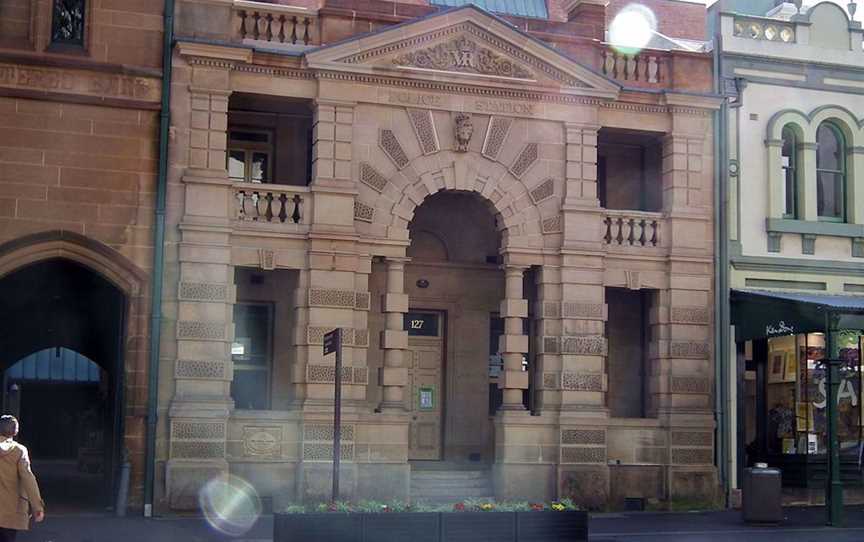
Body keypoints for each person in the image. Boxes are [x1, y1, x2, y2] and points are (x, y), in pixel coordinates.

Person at [0, 415, 44, 542]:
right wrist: (37, 506)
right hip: (11, 511)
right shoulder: (19, 451)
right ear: (15, 431)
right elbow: (28, 478)